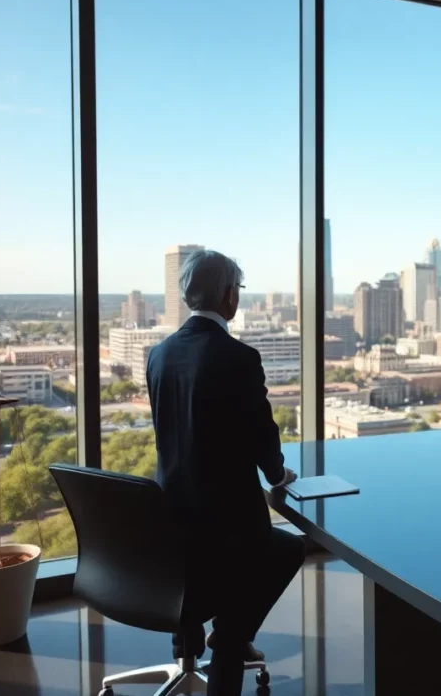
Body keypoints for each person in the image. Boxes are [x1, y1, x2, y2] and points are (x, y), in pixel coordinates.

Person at [146, 248, 304, 696]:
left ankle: (206, 634)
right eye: (238, 289)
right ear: (228, 296)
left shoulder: (159, 354)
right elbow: (261, 436)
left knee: (220, 564)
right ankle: (231, 638)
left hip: (171, 526)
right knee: (288, 549)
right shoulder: (238, 358)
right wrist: (279, 476)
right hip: (228, 532)